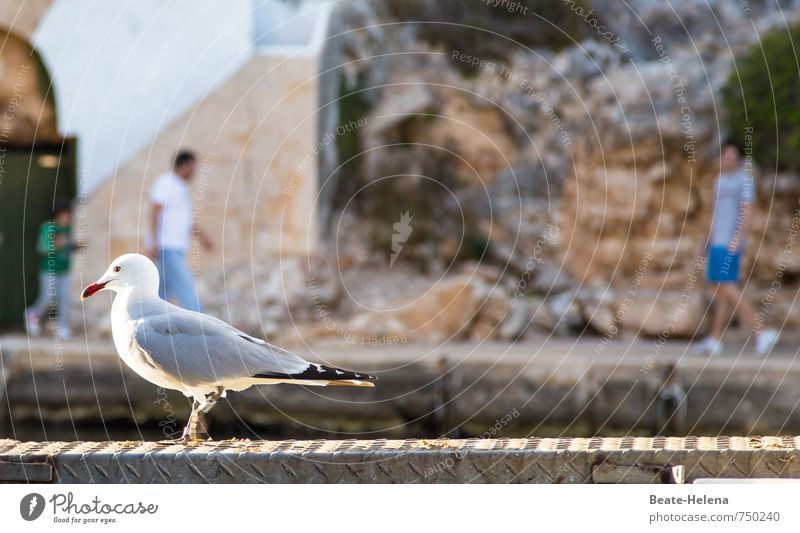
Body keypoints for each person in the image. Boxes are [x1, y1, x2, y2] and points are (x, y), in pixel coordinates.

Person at [693, 140, 778, 357]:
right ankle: (715, 339)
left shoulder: (745, 181)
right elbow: (715, 215)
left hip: (730, 243)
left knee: (726, 287)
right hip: (717, 242)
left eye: (731, 157)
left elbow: (747, 212)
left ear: (739, 159)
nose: (727, 160)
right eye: (725, 156)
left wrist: (737, 239)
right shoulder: (719, 181)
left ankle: (761, 331)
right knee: (722, 291)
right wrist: (705, 242)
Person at [147, 150, 213, 312]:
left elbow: (187, 222)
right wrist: (154, 242)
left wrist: (203, 238)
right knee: (186, 287)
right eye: (193, 167)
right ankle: (202, 327)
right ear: (184, 165)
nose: (195, 172)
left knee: (162, 292)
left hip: (177, 247)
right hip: (166, 247)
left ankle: (148, 322)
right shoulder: (166, 183)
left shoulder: (181, 188)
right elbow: (155, 211)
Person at [25, 199, 79, 339]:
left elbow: (68, 246)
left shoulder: (69, 228)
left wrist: (76, 246)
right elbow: (42, 248)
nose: (68, 217)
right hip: (48, 270)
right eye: (65, 214)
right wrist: (57, 244)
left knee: (65, 298)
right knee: (48, 298)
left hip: (64, 269)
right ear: (58, 214)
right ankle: (32, 315)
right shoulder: (48, 228)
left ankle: (63, 327)